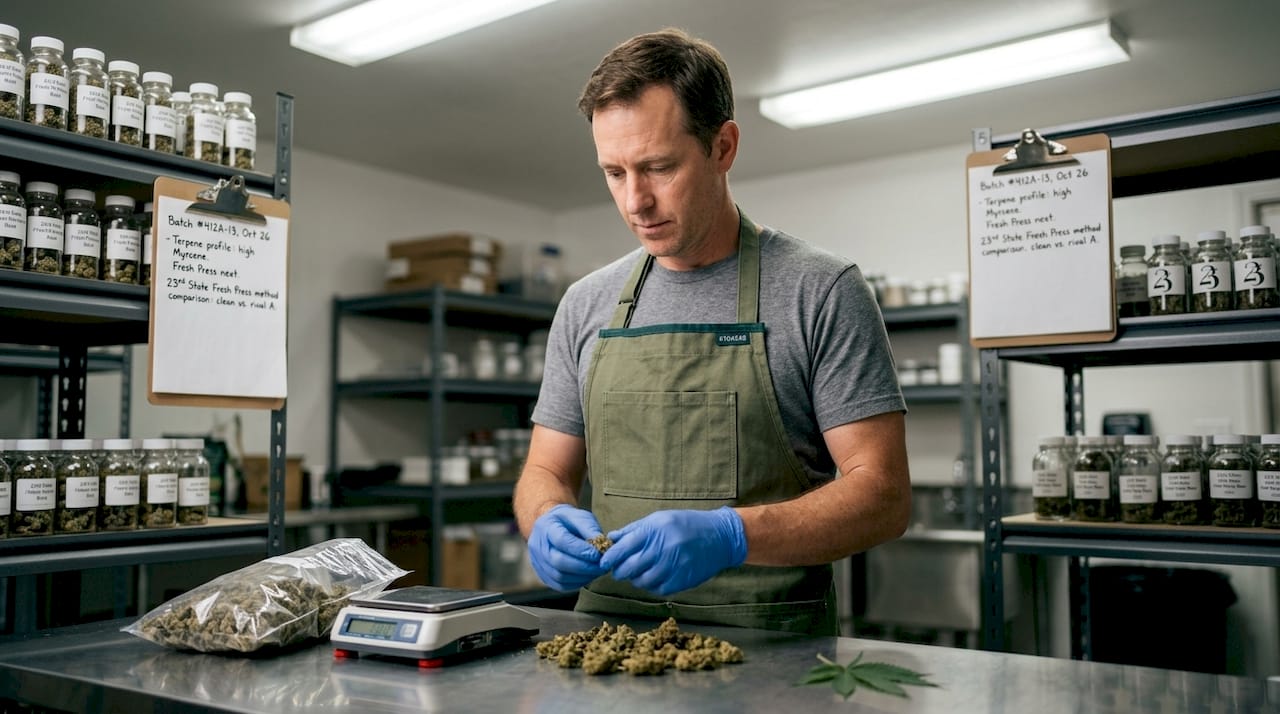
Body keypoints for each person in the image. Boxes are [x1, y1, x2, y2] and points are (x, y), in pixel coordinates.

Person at [513, 28, 910, 635]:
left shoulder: (821, 291)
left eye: (658, 167)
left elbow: (882, 496)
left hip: (771, 648)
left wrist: (734, 534)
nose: (635, 202)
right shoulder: (584, 304)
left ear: (723, 147)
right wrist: (544, 516)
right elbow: (547, 470)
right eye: (614, 173)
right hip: (607, 643)